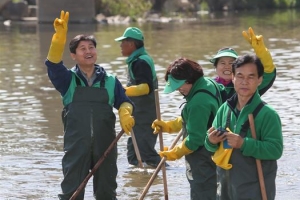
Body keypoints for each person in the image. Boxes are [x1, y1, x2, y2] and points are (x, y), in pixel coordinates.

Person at [45, 11, 135, 200]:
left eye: (91, 47)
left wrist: (125, 113)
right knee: (71, 193)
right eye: (82, 48)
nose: (88, 51)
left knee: (106, 193)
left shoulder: (110, 81)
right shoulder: (67, 80)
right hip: (76, 146)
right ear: (73, 55)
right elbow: (53, 65)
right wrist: (58, 39)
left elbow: (124, 101)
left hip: (106, 146)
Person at [204, 54, 283, 200]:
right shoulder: (224, 109)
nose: (244, 82)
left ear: (260, 80)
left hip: (256, 189)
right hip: (225, 187)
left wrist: (243, 143)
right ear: (233, 77)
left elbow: (276, 150)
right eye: (240, 76)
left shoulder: (267, 114)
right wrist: (211, 141)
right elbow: (210, 146)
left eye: (251, 77)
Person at [151, 58, 224, 199]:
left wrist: (175, 153)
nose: (178, 89)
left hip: (204, 157)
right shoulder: (208, 83)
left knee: (203, 192)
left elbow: (195, 140)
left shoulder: (198, 101)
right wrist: (168, 126)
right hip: (215, 153)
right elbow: (195, 119)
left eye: (179, 85)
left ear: (189, 80)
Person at [114, 27, 161, 167]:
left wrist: (123, 91)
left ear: (131, 44)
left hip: (145, 114)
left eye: (122, 42)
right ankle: (139, 182)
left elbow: (145, 88)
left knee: (146, 153)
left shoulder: (140, 62)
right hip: (138, 113)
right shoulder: (136, 60)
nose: (120, 46)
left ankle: (163, 173)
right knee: (134, 154)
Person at [209, 27, 276, 101]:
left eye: (231, 63)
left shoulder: (247, 86)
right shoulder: (208, 86)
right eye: (222, 63)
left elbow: (268, 74)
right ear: (215, 67)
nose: (227, 66)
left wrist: (261, 51)